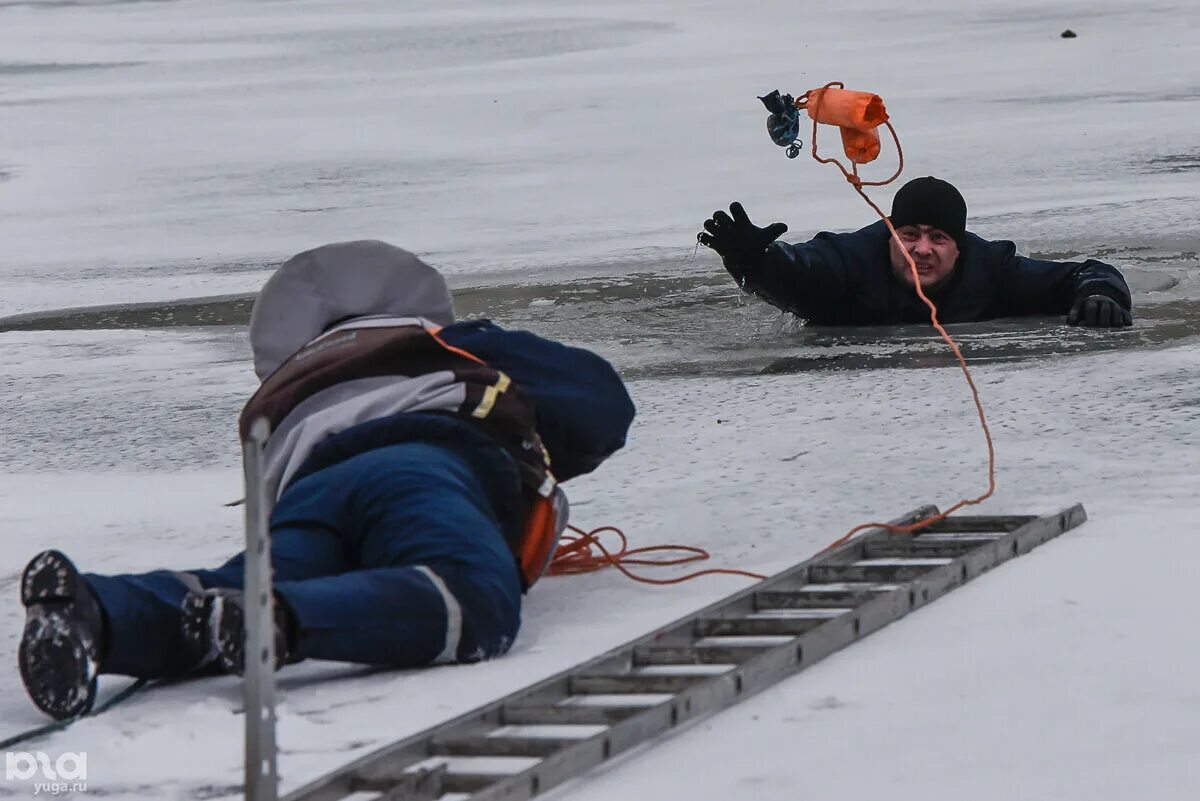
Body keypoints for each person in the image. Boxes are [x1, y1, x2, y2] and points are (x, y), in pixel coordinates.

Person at [18, 240, 636, 720]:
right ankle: (279, 620)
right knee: (472, 596)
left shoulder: (288, 384)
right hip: (425, 464)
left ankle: (93, 611)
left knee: (237, 584)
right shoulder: (440, 339)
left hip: (312, 490)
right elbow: (600, 406)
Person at [698, 176, 1133, 327]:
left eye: (938, 238)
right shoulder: (850, 259)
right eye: (909, 234)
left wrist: (1102, 295)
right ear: (890, 233)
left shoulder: (990, 269)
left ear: (959, 248)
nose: (921, 249)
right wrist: (753, 260)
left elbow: (1088, 273)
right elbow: (794, 271)